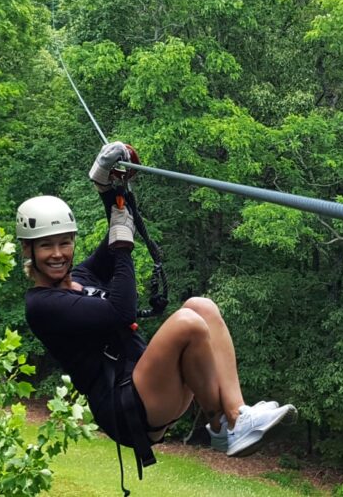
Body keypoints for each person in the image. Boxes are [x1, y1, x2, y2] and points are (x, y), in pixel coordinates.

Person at [19, 142, 296, 490]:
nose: (58, 254)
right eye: (46, 246)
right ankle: (222, 424)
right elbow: (120, 311)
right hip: (124, 405)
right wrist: (122, 243)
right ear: (28, 249)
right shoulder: (41, 304)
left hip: (147, 384)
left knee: (202, 307)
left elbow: (123, 224)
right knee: (188, 323)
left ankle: (234, 418)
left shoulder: (83, 279)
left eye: (65, 243)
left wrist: (107, 186)